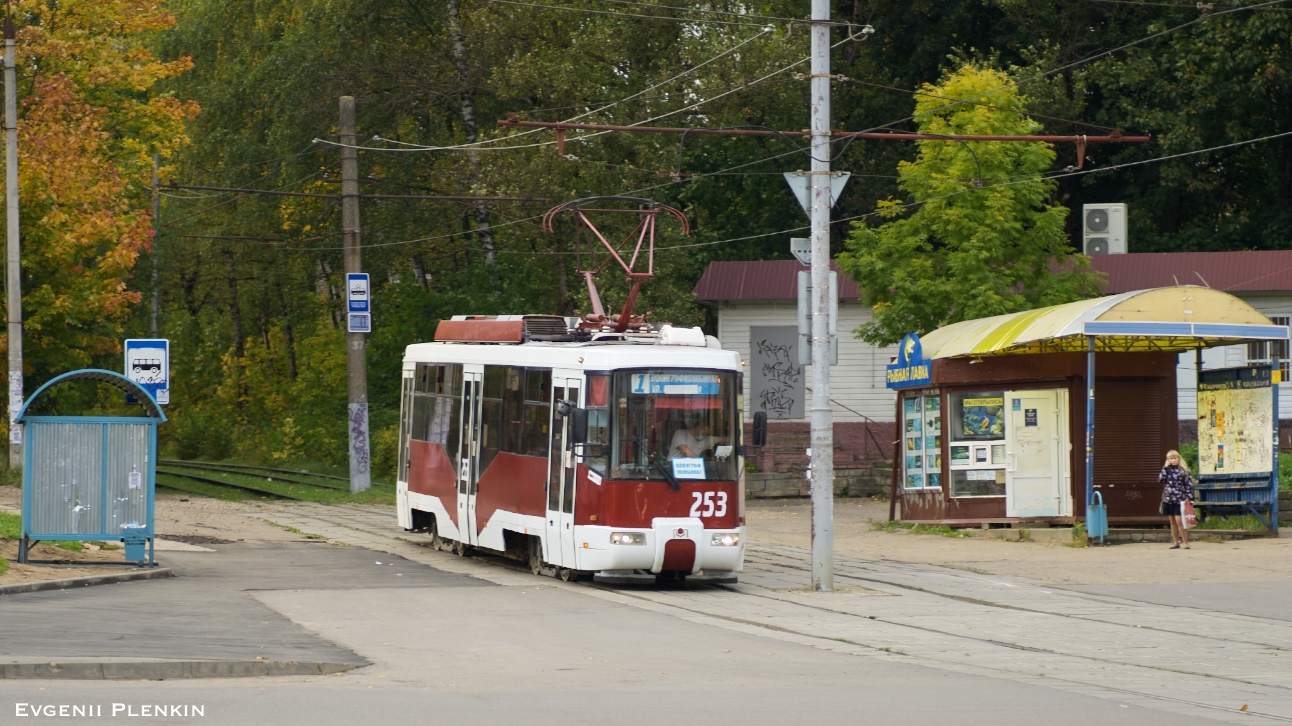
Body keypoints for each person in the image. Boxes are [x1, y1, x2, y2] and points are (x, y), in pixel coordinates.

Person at [1159, 449, 1194, 550]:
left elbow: (1188, 485)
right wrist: (1165, 467)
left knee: (1180, 521)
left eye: (1174, 458)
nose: (1173, 460)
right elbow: (1161, 479)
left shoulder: (1184, 470)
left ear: (1178, 458)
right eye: (1170, 458)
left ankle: (1186, 542)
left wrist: (1190, 498)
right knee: (1172, 521)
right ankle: (1175, 542)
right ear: (1168, 460)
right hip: (1168, 498)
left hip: (1180, 498)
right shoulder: (1167, 470)